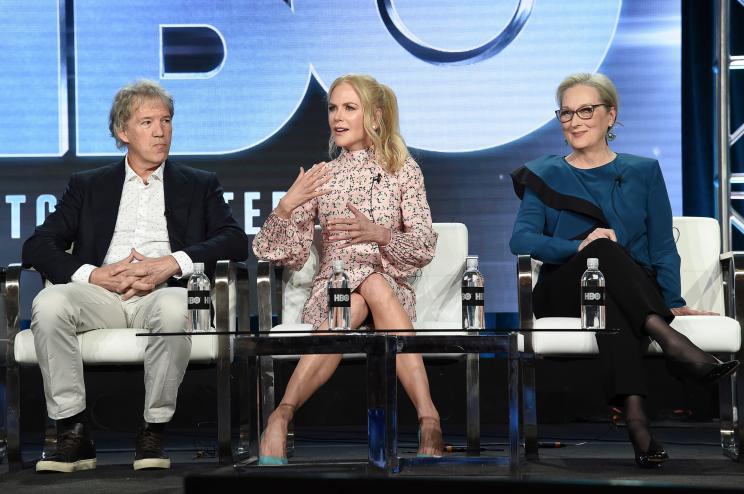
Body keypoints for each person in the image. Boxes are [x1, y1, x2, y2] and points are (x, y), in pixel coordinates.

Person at [509, 72, 740, 469]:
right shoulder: (544, 173)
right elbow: (522, 240)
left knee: (613, 297)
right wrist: (576, 246)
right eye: (566, 113)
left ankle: (637, 423)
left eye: (586, 110)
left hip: (626, 290)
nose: (575, 121)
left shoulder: (644, 172)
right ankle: (671, 342)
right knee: (600, 250)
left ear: (610, 116)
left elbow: (662, 247)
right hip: (565, 289)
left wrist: (672, 300)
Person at [22, 80, 249, 472]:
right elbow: (38, 245)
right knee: (50, 302)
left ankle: (153, 430)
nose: (160, 131)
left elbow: (233, 241)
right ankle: (73, 430)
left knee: (175, 305)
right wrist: (93, 275)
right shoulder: (89, 185)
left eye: (166, 120)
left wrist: (172, 262)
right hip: (103, 297)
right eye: (147, 122)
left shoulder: (199, 183)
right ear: (122, 132)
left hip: (164, 292)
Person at [253, 73, 443, 463]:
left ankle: (282, 414)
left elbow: (424, 246)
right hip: (334, 290)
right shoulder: (323, 175)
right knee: (353, 301)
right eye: (333, 108)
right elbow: (282, 254)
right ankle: (428, 416)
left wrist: (381, 234)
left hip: (390, 289)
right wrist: (286, 207)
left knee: (374, 285)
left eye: (349, 108)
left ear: (375, 116)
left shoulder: (403, 171)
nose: (337, 117)